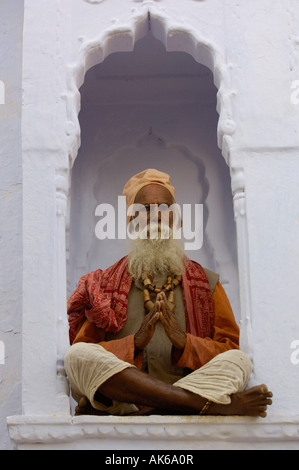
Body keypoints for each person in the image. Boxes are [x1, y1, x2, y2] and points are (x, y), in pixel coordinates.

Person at [65, 169, 272, 417]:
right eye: (146, 209)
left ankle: (159, 406)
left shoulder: (206, 283)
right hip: (128, 401)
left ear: (176, 218)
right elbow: (86, 349)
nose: (156, 216)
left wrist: (185, 343)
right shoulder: (104, 284)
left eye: (164, 208)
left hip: (190, 387)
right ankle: (203, 406)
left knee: (239, 362)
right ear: (132, 219)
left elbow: (229, 349)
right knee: (77, 356)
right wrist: (133, 343)